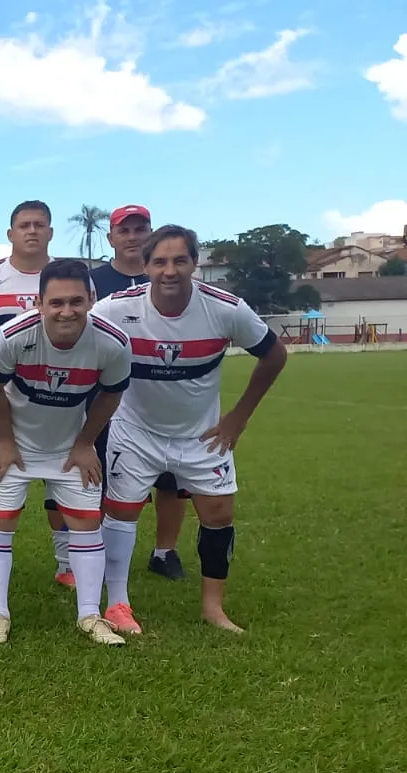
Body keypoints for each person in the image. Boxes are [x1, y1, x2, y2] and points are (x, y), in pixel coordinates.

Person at [93, 225, 286, 634]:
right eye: (160, 261)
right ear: (145, 266)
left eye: (180, 260)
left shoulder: (226, 309)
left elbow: (274, 354)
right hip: (135, 431)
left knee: (219, 513)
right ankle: (118, 603)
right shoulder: (116, 308)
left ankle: (213, 608)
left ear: (194, 263)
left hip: (203, 436)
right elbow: (79, 338)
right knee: (121, 511)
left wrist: (238, 417)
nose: (170, 271)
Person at [0, 259, 132, 646]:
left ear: (91, 299)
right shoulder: (11, 336)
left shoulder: (113, 342)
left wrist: (85, 443)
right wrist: (5, 442)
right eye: (56, 302)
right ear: (39, 303)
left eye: (76, 301)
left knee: (86, 524)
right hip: (12, 441)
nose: (66, 311)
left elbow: (112, 394)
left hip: (68, 444)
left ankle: (89, 616)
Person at [0, 200, 76, 587]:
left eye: (39, 224)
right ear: (10, 233)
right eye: (24, 225)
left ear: (50, 232)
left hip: (60, 399)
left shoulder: (70, 278)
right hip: (0, 401)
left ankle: (67, 564)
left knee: (62, 479)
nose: (32, 231)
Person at [88, 205, 190, 581]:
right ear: (111, 237)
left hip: (165, 395)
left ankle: (164, 551)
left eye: (139, 229)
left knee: (172, 479)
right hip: (108, 398)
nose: (132, 237)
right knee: (103, 477)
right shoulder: (94, 281)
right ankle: (99, 551)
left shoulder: (169, 279)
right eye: (124, 230)